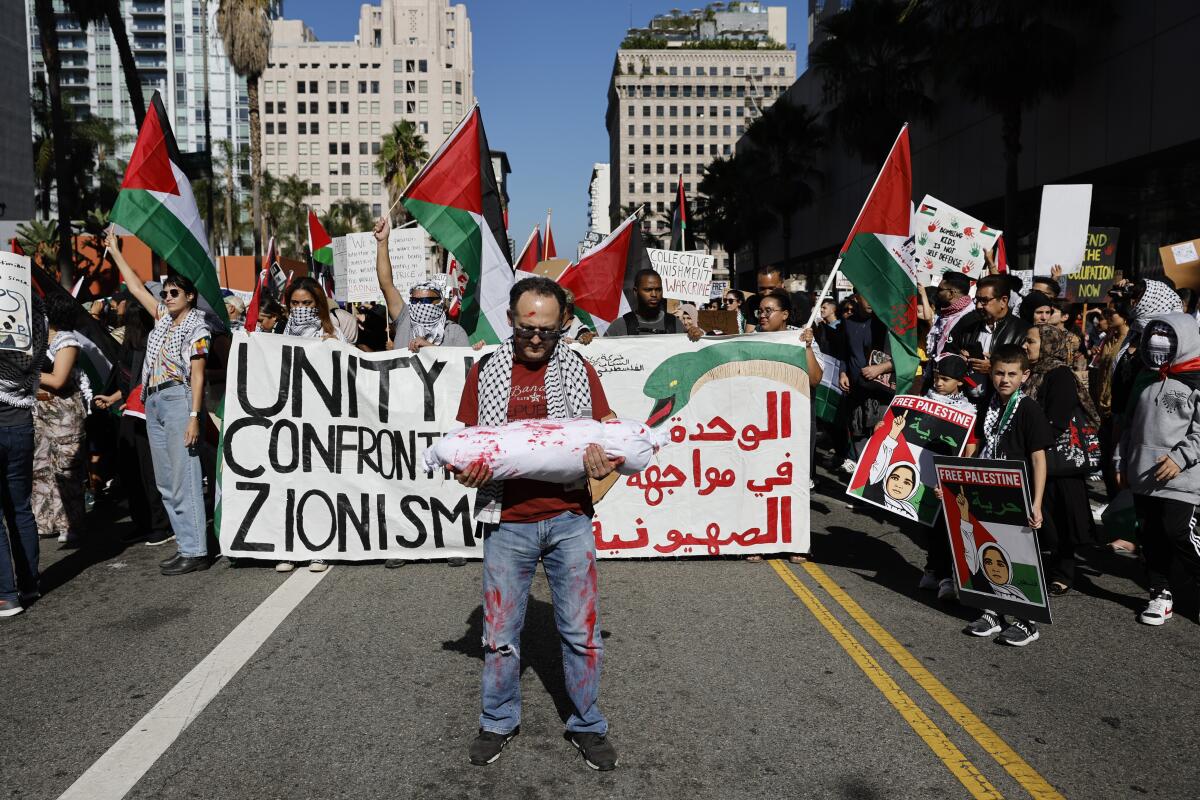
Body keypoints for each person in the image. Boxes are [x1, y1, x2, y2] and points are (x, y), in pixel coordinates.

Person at [454, 276, 620, 770]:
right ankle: (497, 720)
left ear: (562, 325)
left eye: (547, 331)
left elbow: (607, 433)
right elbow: (467, 446)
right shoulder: (486, 372)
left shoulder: (578, 368)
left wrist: (603, 462)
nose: (535, 339)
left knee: (580, 633)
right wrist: (468, 473)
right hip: (508, 522)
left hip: (570, 520)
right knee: (500, 635)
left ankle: (587, 724)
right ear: (510, 320)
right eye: (527, 328)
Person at [109, 230, 212, 576]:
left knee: (185, 476)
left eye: (174, 292)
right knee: (166, 481)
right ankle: (185, 543)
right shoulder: (163, 320)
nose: (166, 296)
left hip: (178, 398)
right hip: (152, 400)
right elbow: (137, 287)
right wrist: (115, 252)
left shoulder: (198, 327)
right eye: (165, 292)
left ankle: (197, 548)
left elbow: (197, 375)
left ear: (190, 296)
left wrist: (194, 416)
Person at [963, 344, 1051, 646]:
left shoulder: (1028, 408)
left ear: (1024, 376)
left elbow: (1039, 458)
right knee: (990, 547)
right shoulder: (988, 402)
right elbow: (976, 442)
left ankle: (1027, 620)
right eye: (999, 373)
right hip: (988, 485)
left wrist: (1037, 502)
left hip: (1019, 489)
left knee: (1020, 553)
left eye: (1012, 374)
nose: (1004, 379)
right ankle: (993, 611)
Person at [1119, 313, 1200, 626]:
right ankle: (1160, 593)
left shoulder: (1196, 380)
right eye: (1155, 333)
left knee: (1177, 531)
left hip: (1182, 477)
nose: (1158, 341)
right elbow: (1129, 425)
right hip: (1143, 474)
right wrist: (1121, 460)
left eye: (1168, 335)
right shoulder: (1145, 378)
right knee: (1150, 535)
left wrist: (1180, 458)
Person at [1023, 324, 1099, 595]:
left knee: (1062, 520)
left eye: (1030, 341)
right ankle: (1044, 566)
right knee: (1043, 518)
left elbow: (1057, 419)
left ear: (1048, 344)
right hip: (1035, 456)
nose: (1025, 346)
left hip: (1057, 460)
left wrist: (1035, 442)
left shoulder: (1060, 375)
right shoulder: (1031, 373)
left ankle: (1063, 573)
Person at [94, 301, 173, 547]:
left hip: (147, 414)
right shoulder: (129, 345)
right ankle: (143, 522)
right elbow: (127, 381)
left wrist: (134, 401)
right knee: (131, 471)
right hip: (130, 414)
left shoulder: (154, 342)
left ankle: (160, 524)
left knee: (149, 471)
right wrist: (114, 398)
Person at [276, 277, 338, 574]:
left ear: (318, 305)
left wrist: (336, 349)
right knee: (289, 483)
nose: (300, 309)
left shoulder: (331, 332)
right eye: (295, 304)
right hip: (287, 420)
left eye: (307, 304)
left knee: (318, 484)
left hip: (319, 420)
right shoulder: (276, 335)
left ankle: (319, 547)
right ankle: (290, 546)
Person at [916, 354, 978, 600]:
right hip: (924, 472)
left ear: (960, 382)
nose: (938, 383)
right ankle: (931, 568)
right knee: (927, 524)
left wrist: (958, 477)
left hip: (950, 476)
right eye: (936, 377)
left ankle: (947, 578)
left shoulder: (967, 411)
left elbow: (971, 446)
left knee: (946, 528)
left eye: (945, 379)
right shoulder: (923, 401)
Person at [0, 296, 47, 617]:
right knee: (19, 508)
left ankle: (6, 594)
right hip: (22, 425)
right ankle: (29, 583)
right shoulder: (37, 329)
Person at [32, 292, 91, 546]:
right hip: (40, 410)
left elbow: (58, 379)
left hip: (63, 413)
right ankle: (45, 522)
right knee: (40, 467)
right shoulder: (41, 338)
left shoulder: (67, 342)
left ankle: (72, 525)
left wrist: (29, 373)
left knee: (66, 469)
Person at [373, 217, 470, 351]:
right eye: (414, 300)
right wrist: (382, 242)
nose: (418, 305)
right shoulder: (405, 319)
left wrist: (429, 348)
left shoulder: (454, 333)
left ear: (440, 304)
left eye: (425, 300)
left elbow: (462, 366)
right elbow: (386, 284)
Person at [835, 292, 894, 472]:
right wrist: (843, 373)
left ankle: (877, 489)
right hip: (857, 391)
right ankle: (861, 484)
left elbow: (905, 358)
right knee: (858, 439)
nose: (871, 301)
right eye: (866, 296)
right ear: (856, 297)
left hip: (882, 394)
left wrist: (881, 368)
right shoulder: (848, 322)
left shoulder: (888, 323)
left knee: (881, 441)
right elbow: (844, 353)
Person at [944, 274, 1030, 395]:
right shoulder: (966, 323)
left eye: (984, 300)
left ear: (1003, 301)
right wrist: (958, 360)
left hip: (999, 403)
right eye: (977, 300)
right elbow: (946, 354)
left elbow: (1027, 371)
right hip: (965, 401)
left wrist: (994, 368)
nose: (978, 305)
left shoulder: (1023, 331)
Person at [603, 269, 703, 340]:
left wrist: (698, 337)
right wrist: (590, 340)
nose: (654, 294)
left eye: (658, 290)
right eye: (648, 290)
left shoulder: (675, 324)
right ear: (635, 292)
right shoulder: (619, 327)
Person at [924, 272, 975, 364]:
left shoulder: (971, 317)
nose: (936, 293)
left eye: (940, 290)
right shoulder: (944, 313)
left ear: (950, 293)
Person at [282, 277, 340, 341]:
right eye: (295, 303)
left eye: (306, 303)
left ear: (318, 303)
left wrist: (336, 344)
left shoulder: (334, 333)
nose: (300, 307)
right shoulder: (281, 330)